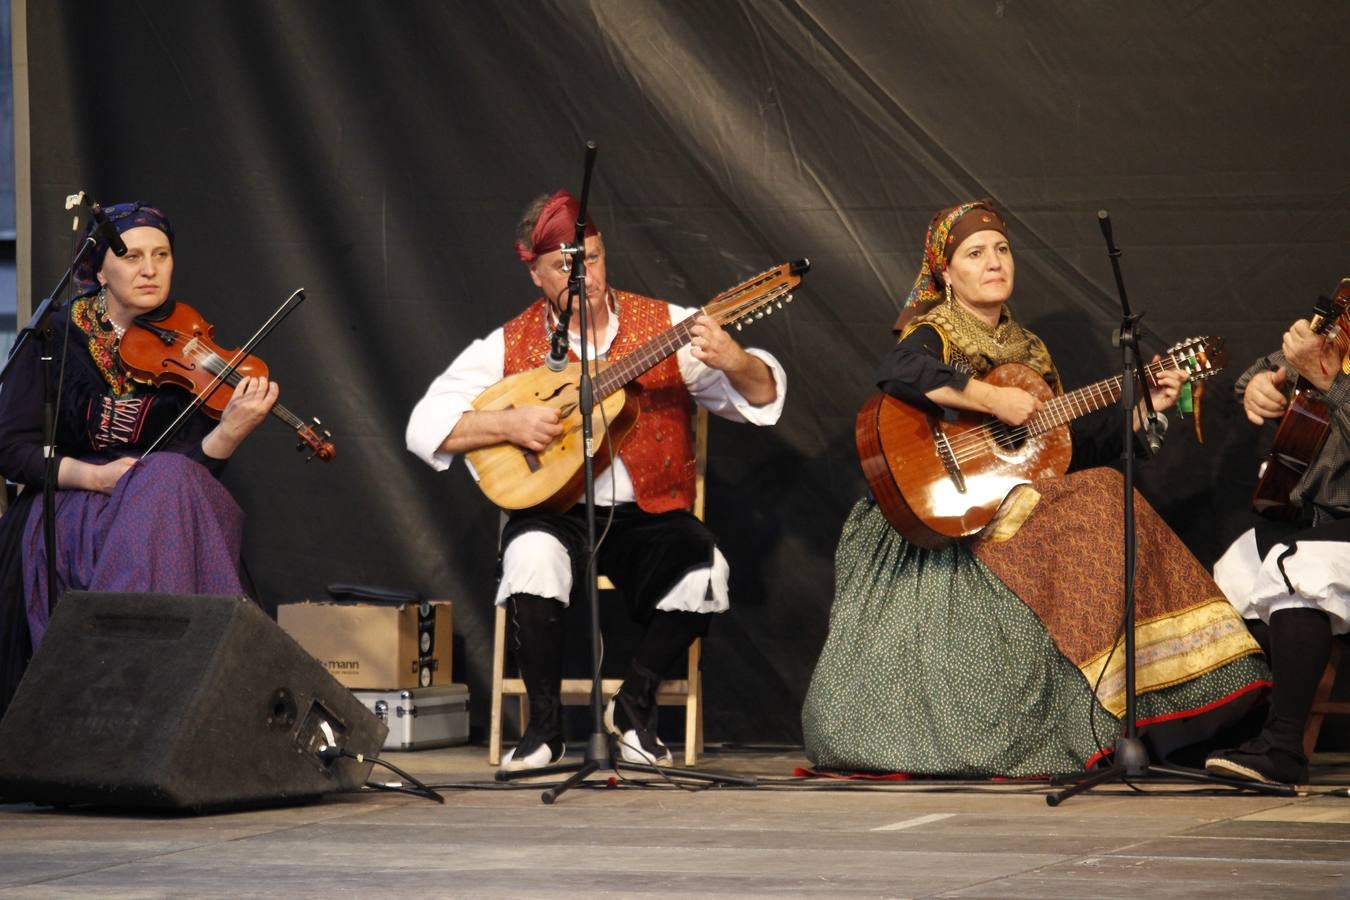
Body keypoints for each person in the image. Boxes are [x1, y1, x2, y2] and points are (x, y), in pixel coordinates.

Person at [801, 200, 1270, 777]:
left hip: (1014, 500)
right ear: (946, 272)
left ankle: (1178, 711)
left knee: (1105, 492)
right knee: (1100, 496)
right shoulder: (934, 332)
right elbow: (899, 372)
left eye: (1002, 250)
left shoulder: (1029, 349)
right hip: (942, 510)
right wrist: (993, 399)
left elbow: (1058, 451)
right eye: (975, 254)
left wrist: (1144, 406)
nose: (994, 262)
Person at [406, 189, 786, 770]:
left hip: (649, 516)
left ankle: (631, 709)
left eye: (594, 258)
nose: (585, 277)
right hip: (553, 513)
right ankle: (544, 728)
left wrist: (735, 359)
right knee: (530, 556)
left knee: (707, 569)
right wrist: (506, 421)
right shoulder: (509, 344)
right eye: (565, 266)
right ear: (534, 272)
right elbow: (422, 428)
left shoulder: (670, 326)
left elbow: (761, 399)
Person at [0, 202, 278, 715]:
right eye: (131, 256)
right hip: (72, 507)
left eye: (162, 254)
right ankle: (143, 696)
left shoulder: (191, 346)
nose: (149, 269)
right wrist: (97, 477)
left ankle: (164, 697)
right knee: (165, 485)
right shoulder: (53, 338)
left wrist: (230, 433)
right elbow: (10, 449)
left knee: (169, 481)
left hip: (163, 512)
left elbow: (191, 474)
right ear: (98, 269)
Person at [1205, 310, 1350, 785]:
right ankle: (1234, 730)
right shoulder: (1340, 333)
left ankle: (1284, 746)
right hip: (1313, 523)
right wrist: (1256, 387)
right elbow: (1264, 369)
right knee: (1236, 574)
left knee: (1300, 570)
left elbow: (1324, 382)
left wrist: (1326, 383)